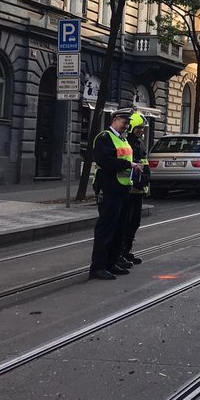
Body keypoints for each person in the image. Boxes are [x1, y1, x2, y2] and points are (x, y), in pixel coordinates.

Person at [89, 109, 142, 280]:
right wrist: (129, 164)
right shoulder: (104, 138)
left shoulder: (122, 138)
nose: (126, 126)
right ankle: (98, 267)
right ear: (115, 120)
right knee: (107, 227)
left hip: (123, 189)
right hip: (109, 188)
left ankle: (112, 263)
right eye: (124, 123)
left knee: (120, 228)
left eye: (128, 123)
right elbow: (105, 161)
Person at [119, 111, 150, 265]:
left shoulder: (138, 142)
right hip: (129, 189)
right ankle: (121, 252)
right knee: (126, 222)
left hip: (138, 189)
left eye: (142, 128)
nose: (141, 131)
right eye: (138, 128)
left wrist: (146, 180)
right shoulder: (126, 142)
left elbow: (144, 163)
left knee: (134, 223)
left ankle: (127, 251)